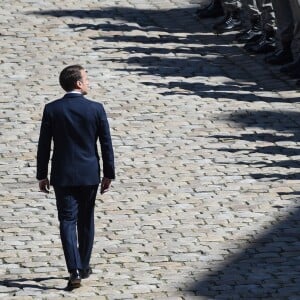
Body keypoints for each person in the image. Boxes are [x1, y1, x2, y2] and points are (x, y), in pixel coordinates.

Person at [36, 65, 115, 290]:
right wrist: (108, 173)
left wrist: (42, 174)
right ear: (78, 83)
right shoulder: (96, 109)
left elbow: (44, 145)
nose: (88, 82)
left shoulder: (52, 109)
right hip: (89, 174)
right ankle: (85, 264)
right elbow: (106, 144)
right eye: (86, 79)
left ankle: (74, 270)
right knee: (86, 219)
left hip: (62, 175)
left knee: (67, 221)